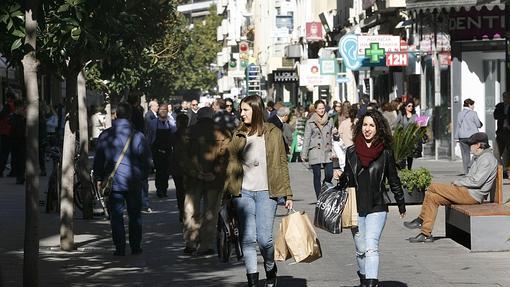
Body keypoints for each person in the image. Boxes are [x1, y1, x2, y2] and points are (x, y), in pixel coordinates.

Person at [225, 95, 293, 287]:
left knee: (265, 240)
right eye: (241, 109)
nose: (241, 113)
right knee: (247, 239)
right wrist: (226, 194)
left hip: (266, 192)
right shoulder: (238, 133)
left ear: (256, 110)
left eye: (245, 109)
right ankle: (252, 281)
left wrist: (287, 193)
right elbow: (230, 165)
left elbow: (282, 163)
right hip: (243, 192)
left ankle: (270, 268)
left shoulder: (272, 132)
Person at [339, 109, 406, 287]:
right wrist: (341, 178)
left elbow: (393, 179)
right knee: (361, 250)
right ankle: (363, 277)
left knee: (371, 247)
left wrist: (401, 203)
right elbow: (348, 176)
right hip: (356, 207)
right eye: (365, 125)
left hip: (377, 206)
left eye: (372, 125)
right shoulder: (352, 152)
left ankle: (371, 283)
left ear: (378, 129)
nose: (367, 129)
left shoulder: (385, 153)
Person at [405, 132, 497, 240]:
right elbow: (472, 178)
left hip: (472, 195)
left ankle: (421, 219)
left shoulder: (486, 159)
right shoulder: (481, 157)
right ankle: (425, 234)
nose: (469, 148)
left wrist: (458, 182)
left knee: (432, 187)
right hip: (466, 192)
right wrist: (460, 182)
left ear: (478, 145)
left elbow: (477, 182)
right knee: (433, 197)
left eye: (470, 145)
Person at [93, 102, 152, 256]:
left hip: (114, 183)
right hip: (134, 181)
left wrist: (99, 178)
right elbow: (147, 161)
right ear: (130, 116)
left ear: (116, 115)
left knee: (116, 216)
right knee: (135, 216)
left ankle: (119, 248)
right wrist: (143, 176)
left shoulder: (105, 135)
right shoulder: (138, 136)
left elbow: (98, 160)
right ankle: (135, 246)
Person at [182, 107, 230, 255]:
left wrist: (196, 173)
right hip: (214, 180)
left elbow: (182, 157)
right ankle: (205, 245)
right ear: (212, 116)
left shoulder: (188, 132)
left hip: (193, 179)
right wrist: (214, 172)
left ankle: (191, 242)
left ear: (198, 117)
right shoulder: (223, 132)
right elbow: (225, 157)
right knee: (211, 212)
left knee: (191, 210)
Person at [301, 100, 334, 198]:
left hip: (327, 150)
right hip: (315, 150)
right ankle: (319, 197)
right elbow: (307, 137)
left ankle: (324, 187)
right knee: (317, 175)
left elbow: (333, 134)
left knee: (329, 174)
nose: (321, 110)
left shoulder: (330, 120)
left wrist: (336, 134)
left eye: (323, 108)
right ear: (315, 109)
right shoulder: (310, 122)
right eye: (319, 108)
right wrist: (304, 153)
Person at [147, 103, 176, 198]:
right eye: (161, 110)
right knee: (159, 171)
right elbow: (149, 138)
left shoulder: (171, 122)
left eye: (165, 110)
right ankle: (159, 190)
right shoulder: (152, 123)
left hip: (168, 150)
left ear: (168, 112)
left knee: (166, 171)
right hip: (157, 150)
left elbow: (174, 135)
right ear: (158, 111)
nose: (163, 112)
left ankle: (164, 189)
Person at [454, 98, 483, 175]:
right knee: (477, 152)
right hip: (472, 136)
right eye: (473, 105)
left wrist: (456, 137)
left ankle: (467, 172)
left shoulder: (459, 114)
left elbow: (458, 126)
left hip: (462, 137)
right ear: (470, 105)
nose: (473, 106)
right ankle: (471, 166)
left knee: (465, 154)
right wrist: (480, 123)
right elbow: (478, 125)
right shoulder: (473, 113)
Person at [172, 113, 189, 222]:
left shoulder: (174, 135)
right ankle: (187, 211)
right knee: (188, 191)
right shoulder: (192, 135)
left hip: (177, 167)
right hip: (189, 167)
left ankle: (182, 211)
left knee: (179, 191)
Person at [395, 100, 418, 169]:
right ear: (405, 107)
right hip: (402, 137)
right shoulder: (401, 114)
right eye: (409, 106)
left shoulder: (415, 115)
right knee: (403, 153)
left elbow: (418, 125)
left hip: (411, 137)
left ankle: (409, 168)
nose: (411, 107)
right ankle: (402, 168)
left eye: (412, 106)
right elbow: (396, 123)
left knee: (410, 154)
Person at [493, 91, 510, 177]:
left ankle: (508, 170)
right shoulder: (500, 106)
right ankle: (501, 171)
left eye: (507, 97)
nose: (506, 99)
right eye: (504, 97)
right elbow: (495, 116)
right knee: (496, 152)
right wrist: (505, 116)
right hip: (501, 132)